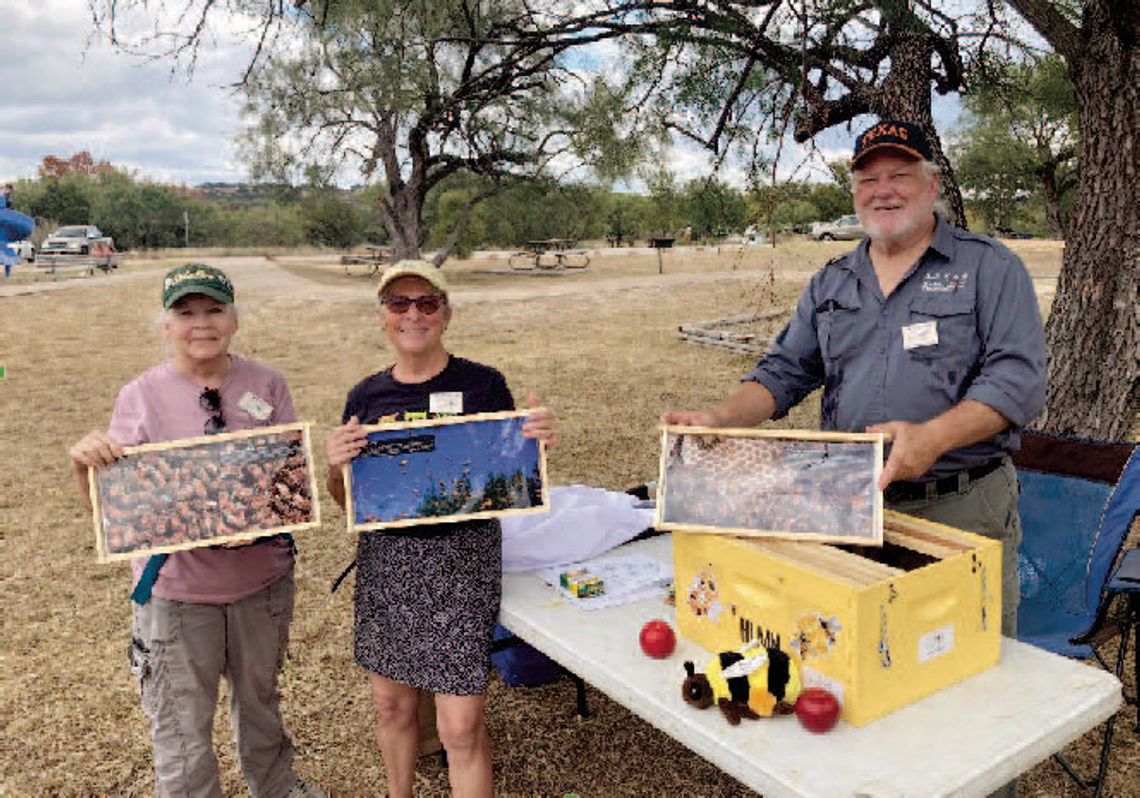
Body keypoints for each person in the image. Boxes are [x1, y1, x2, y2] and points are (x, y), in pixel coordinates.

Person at [665, 119, 1046, 640]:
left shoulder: (989, 268)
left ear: (933, 185)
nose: (883, 190)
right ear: (854, 193)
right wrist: (720, 418)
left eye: (900, 175)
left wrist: (933, 437)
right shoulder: (833, 281)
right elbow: (783, 371)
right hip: (846, 502)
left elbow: (1016, 381)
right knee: (856, 649)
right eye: (868, 180)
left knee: (963, 661)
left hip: (959, 506)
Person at [68, 264, 324, 798]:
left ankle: (278, 790)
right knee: (181, 726)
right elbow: (120, 510)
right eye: (185, 313)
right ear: (166, 326)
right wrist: (85, 467)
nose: (201, 324)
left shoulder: (266, 383)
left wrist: (261, 517)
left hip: (262, 583)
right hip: (178, 594)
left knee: (261, 703)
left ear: (234, 318)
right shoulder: (140, 395)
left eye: (214, 310)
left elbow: (288, 478)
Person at [325, 260, 557, 798]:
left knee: (460, 726)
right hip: (389, 563)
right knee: (392, 705)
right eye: (398, 304)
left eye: (426, 303)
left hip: (462, 562)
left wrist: (533, 447)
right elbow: (350, 505)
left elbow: (508, 479)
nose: (413, 314)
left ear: (446, 313)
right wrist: (336, 468)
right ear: (383, 317)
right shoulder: (366, 397)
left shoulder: (483, 384)